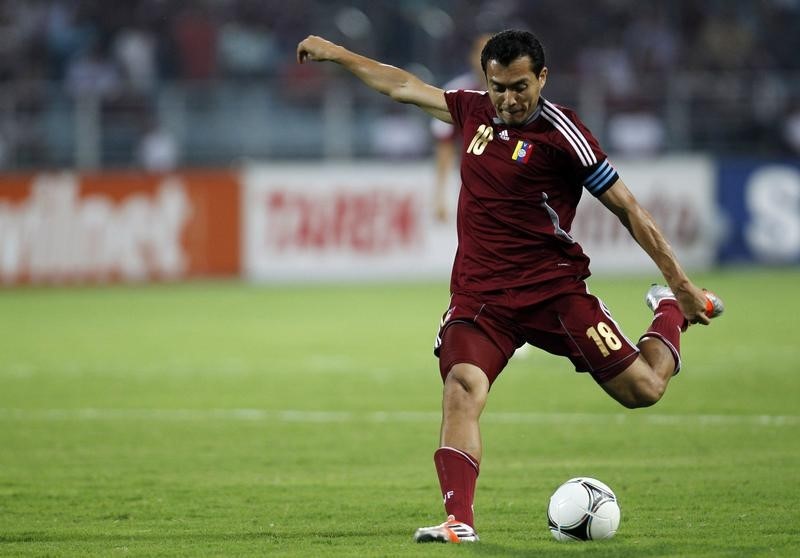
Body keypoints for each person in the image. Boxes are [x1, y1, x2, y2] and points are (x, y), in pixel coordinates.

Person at [297, 29, 724, 544]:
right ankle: (460, 521)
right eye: (497, 86)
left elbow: (628, 209)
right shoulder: (472, 110)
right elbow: (402, 86)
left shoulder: (565, 134)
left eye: (519, 85)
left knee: (645, 391)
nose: (507, 98)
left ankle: (665, 313)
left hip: (554, 293)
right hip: (481, 298)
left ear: (542, 78)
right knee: (461, 388)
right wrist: (338, 54)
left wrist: (678, 285)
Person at [431, 33, 492, 223]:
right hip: (470, 186)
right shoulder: (456, 92)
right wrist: (441, 195)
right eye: (482, 53)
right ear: (472, 57)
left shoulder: (518, 94)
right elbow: (445, 146)